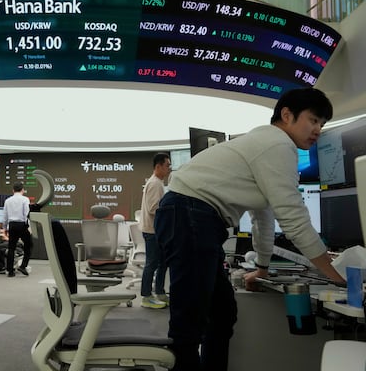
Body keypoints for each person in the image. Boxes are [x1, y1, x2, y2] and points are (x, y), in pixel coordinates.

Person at [154, 87, 345, 371]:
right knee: (190, 321)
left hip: (191, 215)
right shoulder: (278, 145)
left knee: (221, 314)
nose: (317, 129)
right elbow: (293, 216)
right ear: (287, 115)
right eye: (313, 120)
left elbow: (264, 215)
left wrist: (263, 268)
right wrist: (336, 275)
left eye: (322, 124)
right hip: (189, 213)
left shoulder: (265, 144)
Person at [139, 152, 171, 309]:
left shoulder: (157, 182)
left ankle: (160, 292)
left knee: (163, 263)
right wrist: (170, 209)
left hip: (157, 231)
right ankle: (146, 296)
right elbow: (153, 209)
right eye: (167, 165)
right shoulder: (155, 183)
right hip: (152, 232)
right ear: (158, 166)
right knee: (151, 264)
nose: (169, 169)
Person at [2, 181, 32, 277]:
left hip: (12, 225)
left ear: (13, 190)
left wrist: (4, 228)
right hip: (22, 225)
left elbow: (5, 216)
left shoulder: (8, 200)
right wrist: (29, 227)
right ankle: (23, 266)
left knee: (11, 248)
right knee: (29, 245)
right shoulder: (25, 199)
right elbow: (26, 214)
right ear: (22, 190)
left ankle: (10, 271)